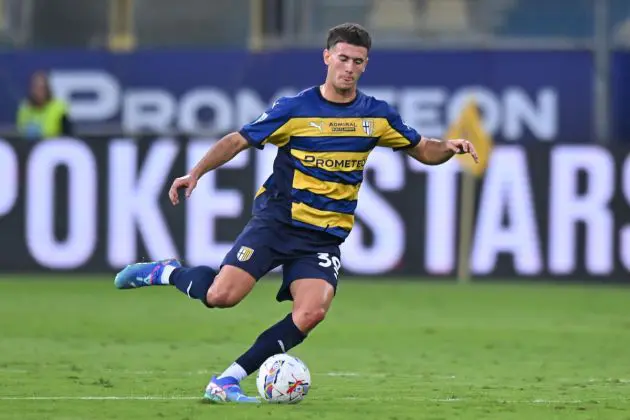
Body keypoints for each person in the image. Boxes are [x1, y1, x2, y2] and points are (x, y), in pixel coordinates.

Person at [113, 22, 478, 403]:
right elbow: (238, 139)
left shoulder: (377, 117)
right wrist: (196, 173)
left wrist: (448, 147)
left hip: (322, 237)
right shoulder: (295, 109)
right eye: (343, 58)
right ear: (327, 57)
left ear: (365, 65)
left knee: (311, 313)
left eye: (358, 61)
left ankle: (226, 381)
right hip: (277, 223)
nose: (349, 67)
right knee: (222, 296)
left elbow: (422, 149)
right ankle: (166, 272)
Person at [16, 70, 73, 140]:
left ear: (48, 89)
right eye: (36, 88)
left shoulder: (58, 108)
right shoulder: (25, 109)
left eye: (42, 88)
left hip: (54, 146)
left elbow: (68, 135)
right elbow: (20, 133)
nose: (39, 92)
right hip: (29, 147)